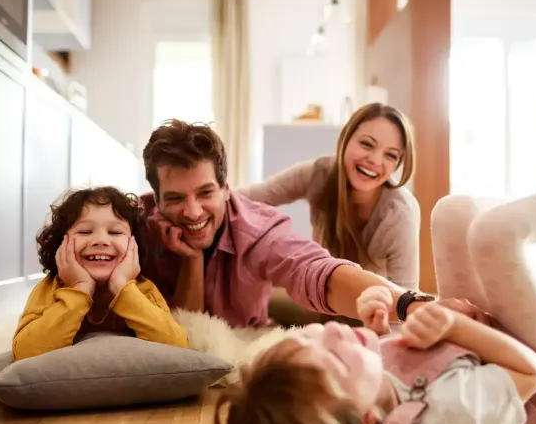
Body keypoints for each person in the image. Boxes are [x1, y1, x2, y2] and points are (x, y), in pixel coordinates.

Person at [213, 111, 536, 424]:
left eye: (313, 338)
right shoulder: (449, 421)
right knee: (495, 234)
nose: (333, 331)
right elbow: (530, 373)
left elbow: (407, 303)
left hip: (476, 340)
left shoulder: (362, 386)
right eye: (367, 144)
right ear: (368, 421)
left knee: (451, 211)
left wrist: (382, 324)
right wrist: (455, 325)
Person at [138, 119, 430, 333]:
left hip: (366, 299)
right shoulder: (135, 222)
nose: (192, 211)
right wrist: (192, 255)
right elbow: (266, 191)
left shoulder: (260, 231)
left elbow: (314, 270)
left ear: (227, 190)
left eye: (205, 193)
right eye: (175, 198)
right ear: (157, 199)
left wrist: (411, 305)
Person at [239, 102, 420, 290]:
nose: (375, 160)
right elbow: (250, 197)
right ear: (346, 140)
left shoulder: (399, 214)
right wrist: (210, 196)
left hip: (369, 311)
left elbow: (405, 299)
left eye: (390, 155)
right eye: (366, 144)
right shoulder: (319, 175)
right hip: (319, 295)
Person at [12, 186, 189, 361]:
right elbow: (25, 352)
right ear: (61, 244)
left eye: (115, 232)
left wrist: (122, 288)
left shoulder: (143, 290)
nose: (101, 241)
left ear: (134, 246)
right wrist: (80, 289)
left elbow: (178, 348)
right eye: (85, 232)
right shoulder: (49, 289)